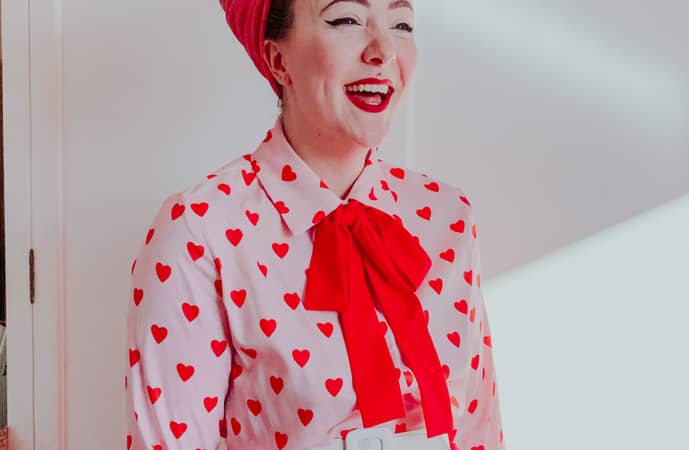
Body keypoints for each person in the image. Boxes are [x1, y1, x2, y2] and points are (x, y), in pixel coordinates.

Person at [124, 0, 505, 449]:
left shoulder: (447, 215)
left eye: (401, 23)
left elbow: (480, 428)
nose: (383, 49)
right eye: (347, 18)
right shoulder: (199, 229)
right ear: (277, 60)